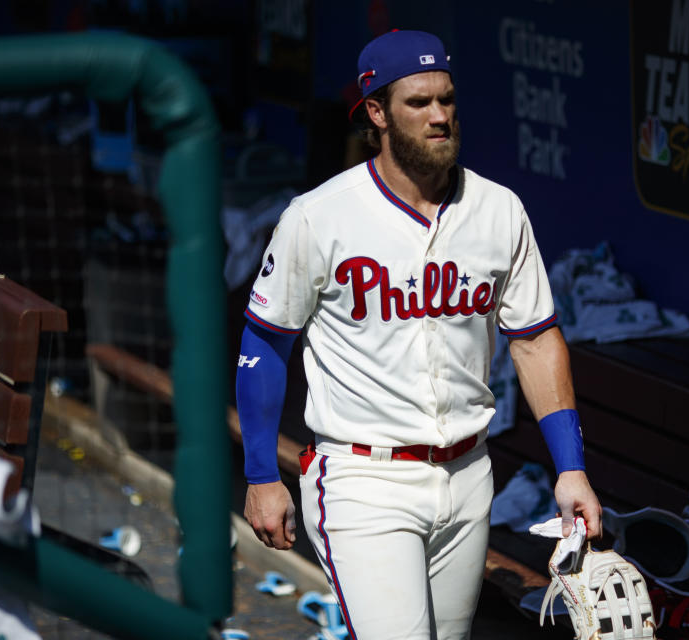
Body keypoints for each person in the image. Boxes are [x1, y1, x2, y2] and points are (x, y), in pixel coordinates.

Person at [235, 29, 602, 640]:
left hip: (467, 475)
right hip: (363, 479)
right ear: (376, 113)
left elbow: (535, 340)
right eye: (419, 103)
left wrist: (571, 468)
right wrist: (259, 476)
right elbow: (264, 343)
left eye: (447, 100)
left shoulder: (498, 209)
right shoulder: (319, 215)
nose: (440, 116)